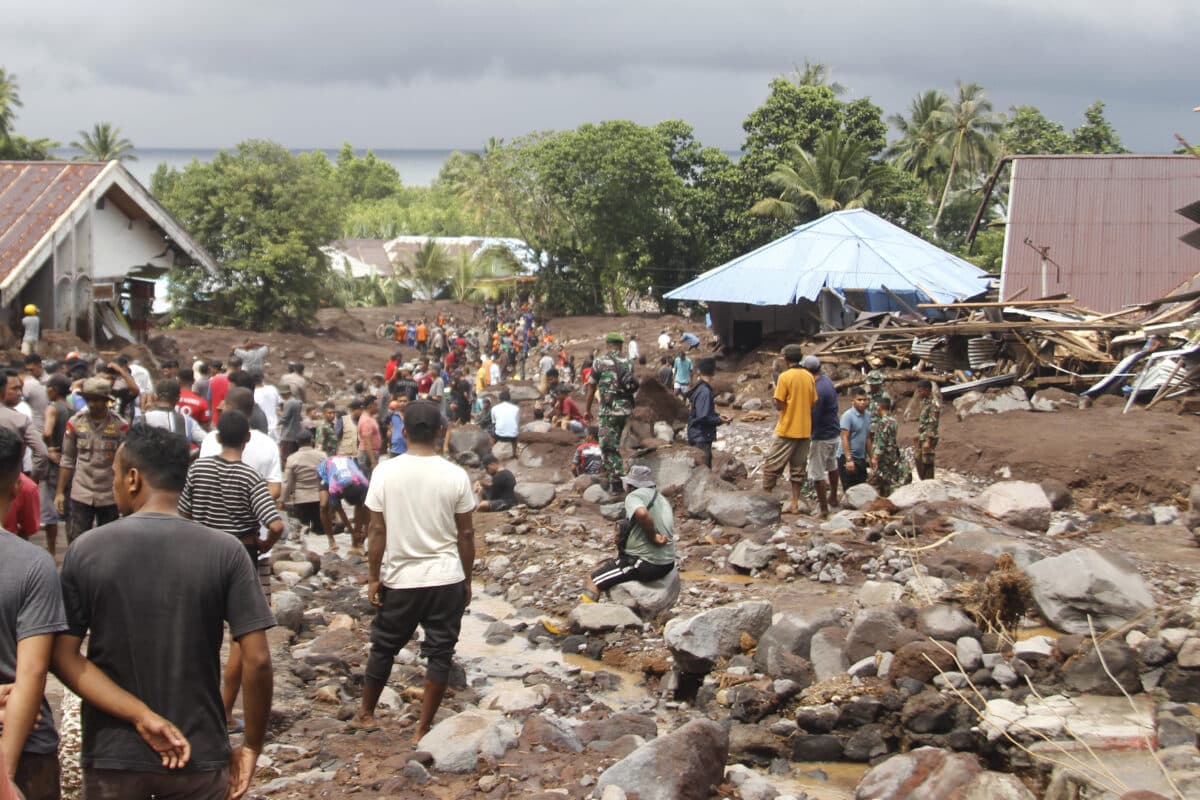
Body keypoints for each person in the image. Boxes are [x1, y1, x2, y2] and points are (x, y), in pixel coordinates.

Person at [55, 423, 274, 800]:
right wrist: (251, 745)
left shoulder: (87, 550)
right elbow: (257, 660)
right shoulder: (226, 552)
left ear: (134, 479)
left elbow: (61, 658)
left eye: (115, 476)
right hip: (199, 753)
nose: (114, 485)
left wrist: (139, 715)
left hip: (114, 755)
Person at [351, 400, 475, 747]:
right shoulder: (455, 475)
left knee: (384, 647)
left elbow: (377, 531)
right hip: (446, 577)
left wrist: (374, 576)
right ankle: (421, 729)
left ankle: (366, 714)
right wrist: (467, 578)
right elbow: (466, 534)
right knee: (440, 653)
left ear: (402, 432)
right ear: (440, 433)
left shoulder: (385, 473)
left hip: (401, 578)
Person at [180, 411, 284, 734]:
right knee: (240, 639)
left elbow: (183, 514)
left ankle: (195, 710)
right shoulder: (250, 477)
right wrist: (266, 541)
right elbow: (277, 523)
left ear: (218, 437)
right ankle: (224, 713)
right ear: (247, 439)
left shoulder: (198, 468)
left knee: (202, 637)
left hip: (200, 558)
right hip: (240, 559)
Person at [0, 427, 67, 800]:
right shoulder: (33, 566)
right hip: (25, 746)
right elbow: (33, 671)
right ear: (15, 492)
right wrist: (5, 778)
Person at [582, 465, 675, 601]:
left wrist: (653, 537)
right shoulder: (661, 499)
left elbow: (642, 514)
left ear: (630, 485)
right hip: (667, 564)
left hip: (645, 564)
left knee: (593, 580)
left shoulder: (634, 496)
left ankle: (584, 618)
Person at [56, 377, 128, 543]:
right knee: (77, 540)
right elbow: (67, 459)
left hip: (109, 495)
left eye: (97, 400)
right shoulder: (75, 423)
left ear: (106, 401)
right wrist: (60, 492)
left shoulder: (120, 426)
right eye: (89, 399)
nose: (92, 404)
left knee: (108, 542)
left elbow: (124, 463)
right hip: (82, 491)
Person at [762, 345, 816, 515]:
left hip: (787, 428)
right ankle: (794, 503)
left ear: (785, 359)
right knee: (798, 469)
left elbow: (779, 404)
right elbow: (813, 401)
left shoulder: (785, 377)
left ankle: (765, 500)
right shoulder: (809, 376)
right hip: (805, 429)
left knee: (772, 465)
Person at [585, 333, 638, 494]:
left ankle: (617, 483)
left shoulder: (599, 362)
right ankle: (610, 477)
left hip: (609, 411)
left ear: (607, 344)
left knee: (608, 447)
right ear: (621, 345)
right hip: (626, 410)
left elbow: (591, 387)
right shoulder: (629, 362)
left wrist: (587, 410)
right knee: (613, 445)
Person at [804, 356, 842, 516]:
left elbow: (814, 416)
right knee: (832, 466)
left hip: (821, 435)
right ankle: (833, 497)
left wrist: (806, 433)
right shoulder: (827, 381)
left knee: (817, 473)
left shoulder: (817, 389)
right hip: (833, 431)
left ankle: (823, 508)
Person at [40, 375, 71, 557]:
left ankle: (51, 552)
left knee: (50, 512)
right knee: (69, 511)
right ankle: (70, 550)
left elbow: (47, 431)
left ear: (55, 389)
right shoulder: (72, 409)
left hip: (54, 463)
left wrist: (46, 445)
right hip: (69, 463)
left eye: (49, 387)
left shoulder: (52, 408)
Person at [281, 429, 327, 546]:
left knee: (302, 530)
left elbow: (288, 482)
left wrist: (283, 500)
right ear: (311, 441)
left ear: (297, 442)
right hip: (319, 498)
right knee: (320, 531)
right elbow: (327, 476)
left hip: (301, 501)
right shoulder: (322, 456)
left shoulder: (292, 458)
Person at [0, 371, 47, 481]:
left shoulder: (22, 413)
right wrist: (30, 480)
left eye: (20, 388)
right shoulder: (19, 419)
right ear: (2, 390)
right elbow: (42, 452)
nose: (19, 393)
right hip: (10, 484)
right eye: (14, 388)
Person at [317, 454, 369, 553]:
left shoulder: (364, 483)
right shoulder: (333, 487)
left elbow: (366, 506)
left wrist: (365, 529)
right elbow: (340, 510)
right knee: (324, 506)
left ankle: (356, 542)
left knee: (361, 505)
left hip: (347, 463)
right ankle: (331, 541)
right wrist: (351, 530)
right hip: (326, 469)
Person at [686, 357, 730, 469]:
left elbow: (704, 413)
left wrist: (718, 416)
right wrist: (720, 420)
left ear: (698, 372)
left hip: (697, 435)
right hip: (701, 437)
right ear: (713, 372)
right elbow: (703, 417)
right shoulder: (705, 391)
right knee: (703, 471)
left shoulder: (700, 388)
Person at [140, 379, 206, 453]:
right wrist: (192, 455)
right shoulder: (187, 421)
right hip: (179, 463)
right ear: (177, 398)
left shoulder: (144, 418)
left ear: (155, 396)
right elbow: (207, 442)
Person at [868, 396, 908, 497]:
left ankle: (885, 499)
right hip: (892, 453)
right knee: (891, 477)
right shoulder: (893, 420)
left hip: (884, 456)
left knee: (884, 479)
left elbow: (881, 442)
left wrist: (875, 458)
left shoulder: (883, 422)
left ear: (879, 407)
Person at [839, 387, 871, 490]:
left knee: (861, 488)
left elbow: (867, 438)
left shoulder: (868, 416)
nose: (862, 402)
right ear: (852, 401)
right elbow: (844, 437)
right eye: (859, 400)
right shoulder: (847, 416)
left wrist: (872, 457)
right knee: (849, 489)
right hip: (847, 456)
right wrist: (849, 459)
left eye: (864, 400)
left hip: (861, 457)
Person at [913, 380, 941, 480]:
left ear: (927, 390)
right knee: (919, 459)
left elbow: (932, 423)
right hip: (922, 436)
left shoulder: (933, 404)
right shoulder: (925, 402)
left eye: (920, 391)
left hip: (929, 437)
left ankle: (928, 482)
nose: (919, 393)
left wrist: (928, 441)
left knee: (927, 462)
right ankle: (924, 481)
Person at [357, 395, 382, 476]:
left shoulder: (369, 417)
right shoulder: (366, 420)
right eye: (376, 405)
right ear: (371, 406)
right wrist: (373, 461)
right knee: (369, 479)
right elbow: (367, 442)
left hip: (369, 453)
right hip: (367, 454)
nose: (378, 407)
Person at [278, 385, 303, 461]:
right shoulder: (298, 402)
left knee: (286, 457)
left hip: (288, 434)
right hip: (296, 433)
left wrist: (276, 422)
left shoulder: (288, 403)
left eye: (282, 394)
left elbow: (284, 418)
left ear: (287, 393)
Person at [253, 376, 281, 443]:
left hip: (261, 431)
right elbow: (279, 404)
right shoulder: (272, 389)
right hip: (274, 429)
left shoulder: (251, 394)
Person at [865, 370, 891, 438]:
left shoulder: (885, 396)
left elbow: (886, 415)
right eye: (871, 385)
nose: (873, 386)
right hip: (866, 428)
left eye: (875, 385)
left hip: (880, 428)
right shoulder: (866, 396)